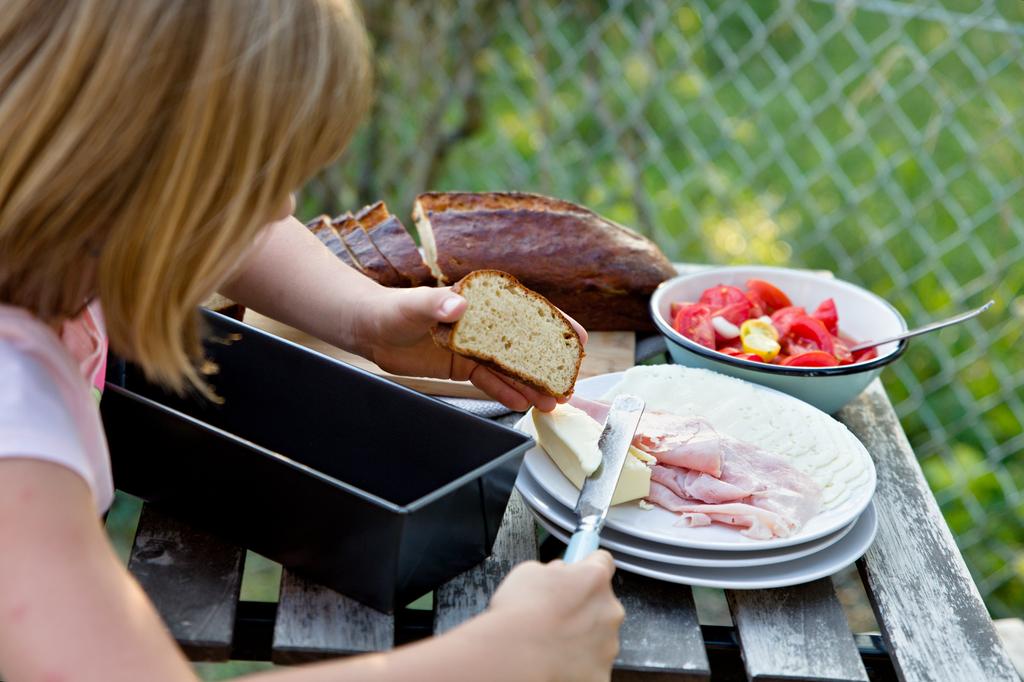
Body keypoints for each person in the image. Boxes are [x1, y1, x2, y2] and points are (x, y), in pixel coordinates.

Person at [0, 2, 625, 681]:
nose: (281, 209)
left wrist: (367, 318)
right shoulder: (16, 425)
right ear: (121, 164)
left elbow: (227, 229)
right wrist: (505, 658)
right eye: (255, 179)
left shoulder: (60, 232)